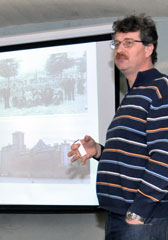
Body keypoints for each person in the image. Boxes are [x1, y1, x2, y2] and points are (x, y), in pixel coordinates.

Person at [68, 14, 168, 239]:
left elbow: (164, 156)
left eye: (129, 43)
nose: (119, 49)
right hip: (120, 216)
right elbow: (134, 156)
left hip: (142, 220)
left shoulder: (160, 90)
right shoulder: (132, 96)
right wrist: (98, 151)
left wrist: (138, 211)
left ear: (149, 49)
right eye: (117, 43)